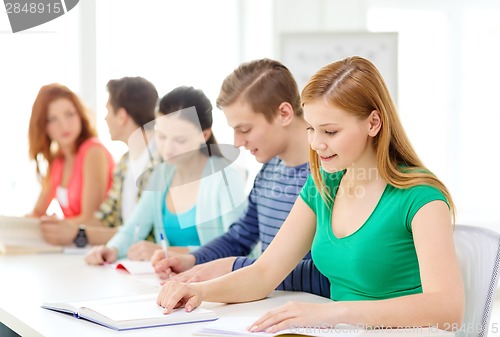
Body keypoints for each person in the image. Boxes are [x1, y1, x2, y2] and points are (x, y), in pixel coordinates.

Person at [156, 56, 464, 332]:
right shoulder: (322, 186)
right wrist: (202, 291)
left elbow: (448, 309)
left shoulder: (421, 196)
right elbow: (264, 272)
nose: (316, 144)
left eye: (330, 132)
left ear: (373, 123)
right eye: (312, 130)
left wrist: (335, 313)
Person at [151, 58, 331, 298]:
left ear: (284, 113)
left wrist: (233, 267)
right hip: (270, 306)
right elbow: (241, 236)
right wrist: (192, 259)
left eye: (245, 130)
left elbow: (329, 273)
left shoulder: (329, 173)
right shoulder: (269, 170)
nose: (237, 142)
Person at [85, 86, 246, 264]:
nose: (168, 148)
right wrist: (111, 249)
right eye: (161, 136)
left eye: (179, 140)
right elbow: (133, 228)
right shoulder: (161, 175)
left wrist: (168, 251)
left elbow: (238, 247)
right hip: (172, 281)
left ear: (204, 135)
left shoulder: (226, 177)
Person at [38, 77, 160, 246]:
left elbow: (145, 234)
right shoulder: (125, 163)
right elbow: (105, 218)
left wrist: (78, 233)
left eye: (108, 111)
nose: (105, 119)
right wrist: (63, 227)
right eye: (53, 119)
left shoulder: (162, 160)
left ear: (122, 116)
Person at [28, 83, 114, 244]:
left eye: (69, 114)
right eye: (52, 119)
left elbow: (91, 219)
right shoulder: (57, 162)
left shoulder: (93, 152)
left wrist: (53, 226)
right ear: (43, 126)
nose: (64, 125)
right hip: (75, 249)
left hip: (100, 247)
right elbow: (37, 212)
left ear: (80, 115)